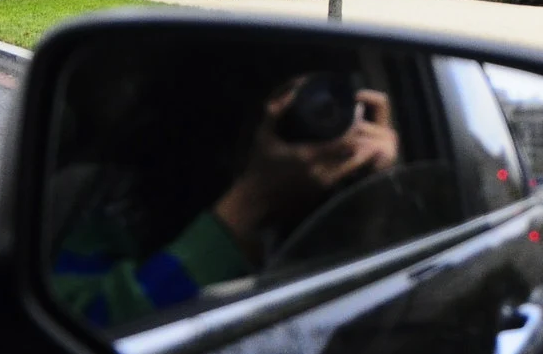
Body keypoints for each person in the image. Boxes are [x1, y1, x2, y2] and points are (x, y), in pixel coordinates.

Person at [47, 68, 400, 331]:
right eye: (290, 101)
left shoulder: (349, 202)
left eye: (333, 107)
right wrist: (250, 199)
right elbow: (85, 325)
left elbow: (379, 314)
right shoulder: (116, 202)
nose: (314, 118)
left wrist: (380, 189)